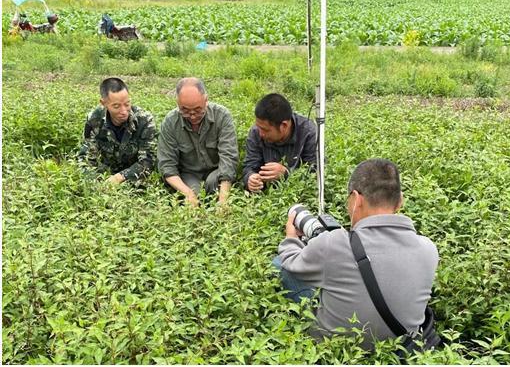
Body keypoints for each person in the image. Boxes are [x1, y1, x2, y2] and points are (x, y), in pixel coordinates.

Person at [274, 159, 439, 348]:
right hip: (400, 348)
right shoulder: (428, 249)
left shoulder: (333, 243)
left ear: (356, 199)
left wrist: (291, 239)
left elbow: (290, 262)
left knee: (280, 263)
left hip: (333, 348)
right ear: (400, 200)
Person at [157, 77, 239, 207]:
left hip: (216, 172)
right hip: (189, 174)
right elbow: (167, 166)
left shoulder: (222, 116)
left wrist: (223, 200)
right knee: (193, 193)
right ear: (177, 103)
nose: (192, 115)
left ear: (206, 101)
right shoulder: (170, 122)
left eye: (197, 110)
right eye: (185, 111)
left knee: (213, 186)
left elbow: (228, 159)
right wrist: (188, 194)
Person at [78, 77, 156, 184]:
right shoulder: (94, 119)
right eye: (116, 106)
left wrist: (120, 177)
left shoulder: (144, 120)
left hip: (134, 178)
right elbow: (86, 159)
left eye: (127, 104)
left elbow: (148, 161)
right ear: (103, 103)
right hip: (104, 175)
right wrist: (96, 183)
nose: (123, 111)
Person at [243, 93, 316, 192]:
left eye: (265, 130)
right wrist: (250, 178)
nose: (260, 133)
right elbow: (250, 165)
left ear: (284, 126)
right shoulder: (256, 131)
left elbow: (316, 173)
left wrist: (286, 173)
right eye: (258, 127)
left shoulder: (309, 132)